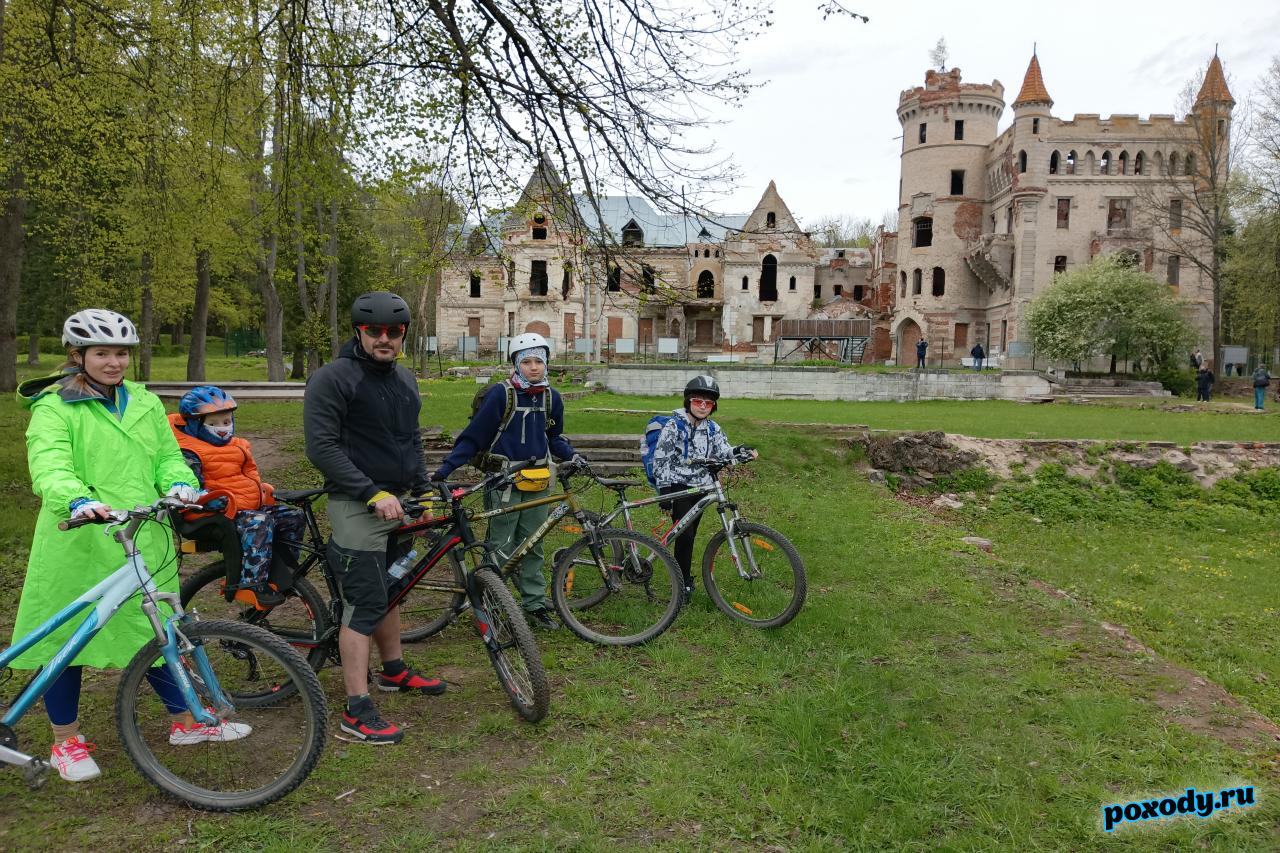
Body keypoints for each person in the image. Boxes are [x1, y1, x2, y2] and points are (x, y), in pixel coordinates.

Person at [11, 309, 246, 784]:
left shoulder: (143, 400)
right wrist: (76, 498)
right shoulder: (55, 407)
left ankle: (185, 721)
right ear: (78, 356)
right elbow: (50, 464)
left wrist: (181, 484)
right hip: (78, 536)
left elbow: (166, 456)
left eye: (121, 353)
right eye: (102, 353)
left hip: (142, 532)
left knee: (158, 626)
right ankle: (66, 741)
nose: (114, 362)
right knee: (67, 641)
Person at [304, 292, 446, 746]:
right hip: (357, 506)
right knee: (363, 604)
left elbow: (411, 441)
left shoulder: (404, 379)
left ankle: (394, 670)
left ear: (404, 333)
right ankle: (356, 708)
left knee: (392, 591)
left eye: (394, 332)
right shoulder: (333, 378)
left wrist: (422, 488)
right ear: (359, 332)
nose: (384, 339)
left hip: (398, 502)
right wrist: (371, 493)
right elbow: (321, 448)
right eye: (375, 332)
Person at [431, 332, 580, 630]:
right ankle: (493, 605)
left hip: (538, 481)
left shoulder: (552, 397)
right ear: (515, 363)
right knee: (499, 545)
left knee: (533, 545)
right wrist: (445, 469)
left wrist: (573, 456)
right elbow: (474, 436)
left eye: (539, 360)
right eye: (527, 361)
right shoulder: (502, 395)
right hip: (504, 482)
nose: (534, 367)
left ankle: (534, 604)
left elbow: (553, 438)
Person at [169, 385, 305, 608]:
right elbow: (190, 486)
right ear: (194, 425)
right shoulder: (190, 451)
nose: (222, 429)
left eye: (227, 421)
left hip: (245, 507)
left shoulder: (238, 446)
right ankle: (251, 583)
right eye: (213, 424)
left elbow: (250, 474)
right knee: (259, 523)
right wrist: (210, 499)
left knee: (292, 517)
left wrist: (261, 492)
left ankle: (282, 569)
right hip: (213, 512)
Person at [650, 376, 755, 604]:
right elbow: (661, 458)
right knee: (684, 535)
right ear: (688, 401)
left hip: (702, 486)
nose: (703, 406)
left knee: (690, 534)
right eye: (698, 401)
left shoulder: (713, 428)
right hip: (679, 486)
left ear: (713, 406)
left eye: (708, 403)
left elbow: (723, 450)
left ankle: (683, 577)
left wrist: (740, 451)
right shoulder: (674, 425)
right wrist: (665, 491)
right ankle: (682, 583)